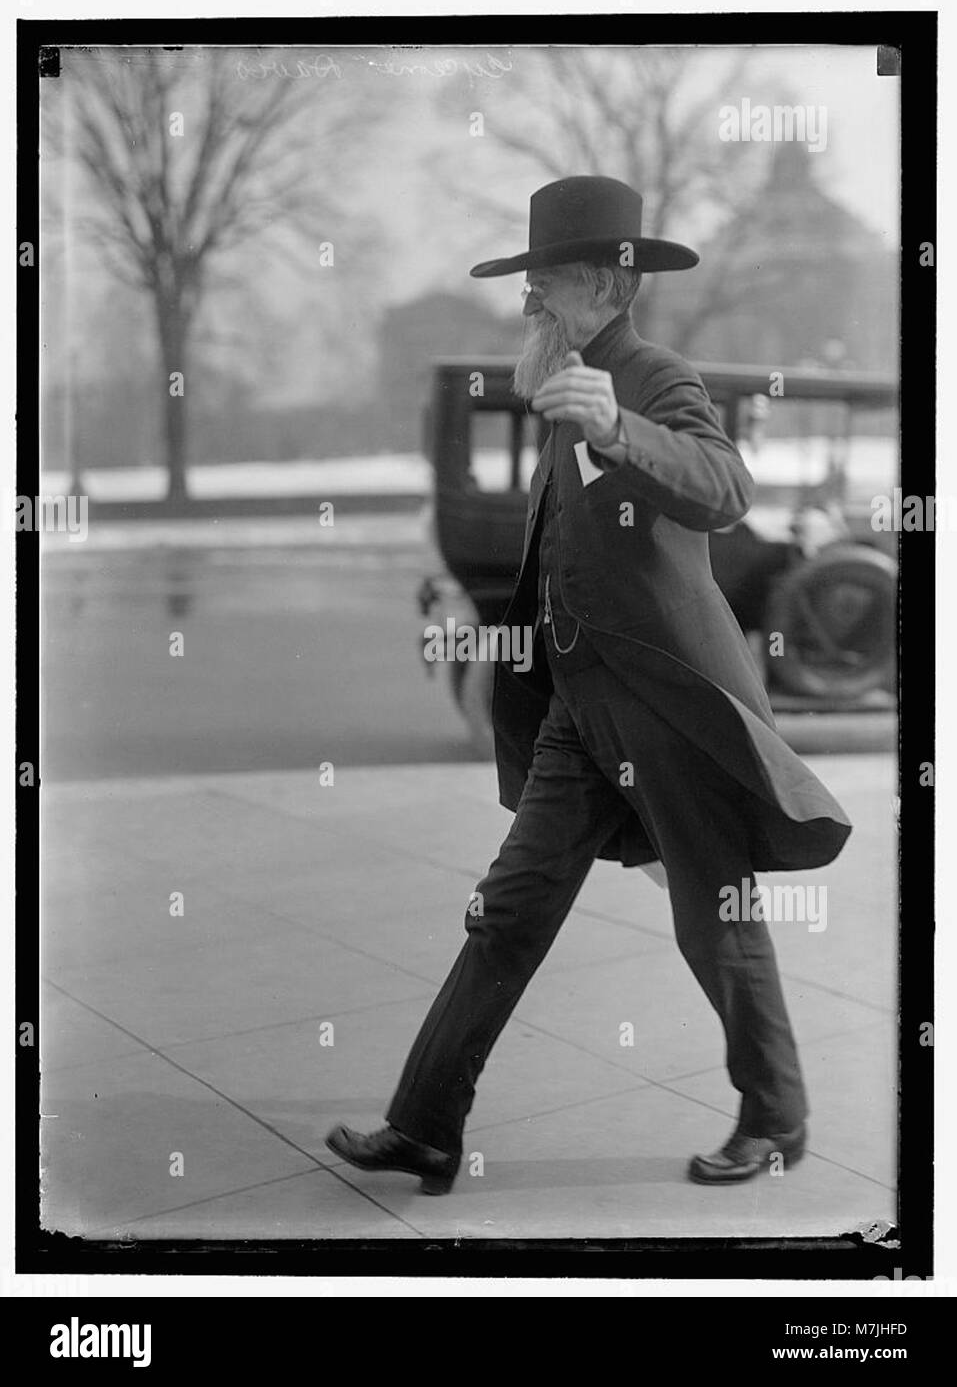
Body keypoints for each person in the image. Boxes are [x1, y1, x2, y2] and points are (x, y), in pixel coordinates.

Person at [326, 176, 851, 1195]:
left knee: (717, 918)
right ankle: (427, 1124)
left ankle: (776, 1116)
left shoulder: (647, 377)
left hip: (667, 705)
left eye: (547, 284)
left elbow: (725, 487)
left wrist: (618, 427)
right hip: (579, 712)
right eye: (527, 286)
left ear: (612, 282)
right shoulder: (563, 378)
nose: (529, 304)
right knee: (507, 910)